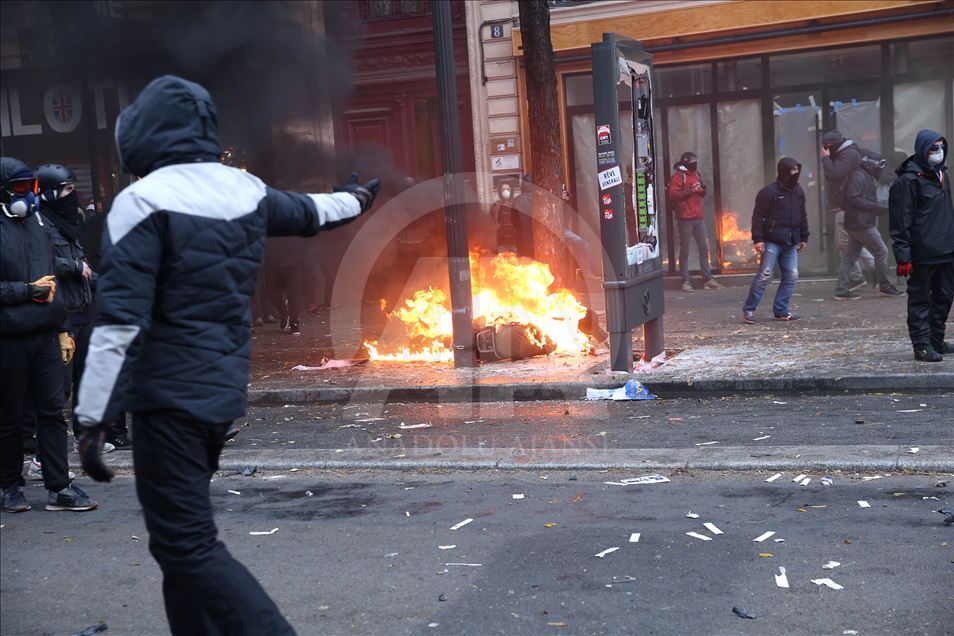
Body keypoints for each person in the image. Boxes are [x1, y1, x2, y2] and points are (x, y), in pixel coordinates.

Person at [73, 75, 378, 635]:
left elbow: (118, 322)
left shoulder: (139, 203)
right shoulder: (244, 191)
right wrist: (356, 199)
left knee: (186, 544)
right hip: (219, 398)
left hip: (167, 399)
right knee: (178, 544)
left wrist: (92, 416)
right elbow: (310, 213)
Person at [1, 157, 96, 513]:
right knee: (10, 416)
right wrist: (26, 291)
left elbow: (53, 283)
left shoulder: (38, 223)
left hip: (45, 333)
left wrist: (62, 329)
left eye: (32, 187)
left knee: (53, 411)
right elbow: (36, 285)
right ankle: (10, 485)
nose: (28, 195)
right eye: (20, 187)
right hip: (8, 337)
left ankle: (60, 485)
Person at [889, 129, 954, 362]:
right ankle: (922, 345)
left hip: (946, 250)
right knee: (920, 300)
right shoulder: (907, 181)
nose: (938, 152)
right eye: (933, 148)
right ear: (922, 149)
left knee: (944, 297)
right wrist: (903, 256)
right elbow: (900, 222)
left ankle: (936, 340)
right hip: (922, 253)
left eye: (941, 147)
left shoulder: (941, 175)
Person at [742, 157, 809, 323]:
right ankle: (749, 310)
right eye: (792, 170)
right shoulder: (768, 192)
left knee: (792, 275)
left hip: (791, 240)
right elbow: (758, 217)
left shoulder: (799, 192)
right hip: (772, 240)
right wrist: (758, 239)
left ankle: (781, 310)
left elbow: (802, 215)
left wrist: (804, 236)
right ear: (784, 171)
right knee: (764, 275)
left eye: (797, 169)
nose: (796, 173)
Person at [832, 154, 905, 300]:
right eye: (878, 165)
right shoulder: (859, 176)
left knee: (850, 257)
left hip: (857, 222)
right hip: (861, 223)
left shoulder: (862, 175)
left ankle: (841, 289)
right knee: (881, 252)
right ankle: (885, 286)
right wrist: (876, 207)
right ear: (870, 164)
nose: (880, 169)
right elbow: (853, 197)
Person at [822, 130, 873, 290]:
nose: (825, 150)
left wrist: (825, 158)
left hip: (845, 207)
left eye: (827, 147)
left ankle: (865, 274)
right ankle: (871, 273)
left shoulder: (848, 155)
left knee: (846, 244)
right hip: (844, 206)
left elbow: (834, 174)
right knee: (850, 244)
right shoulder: (847, 153)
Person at [667, 151, 723, 292]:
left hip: (698, 217)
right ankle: (685, 281)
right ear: (686, 162)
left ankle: (707, 279)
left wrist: (701, 190)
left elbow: (702, 194)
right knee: (685, 250)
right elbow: (673, 195)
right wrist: (691, 190)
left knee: (704, 248)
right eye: (692, 161)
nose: (695, 163)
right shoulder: (678, 177)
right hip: (685, 218)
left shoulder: (696, 174)